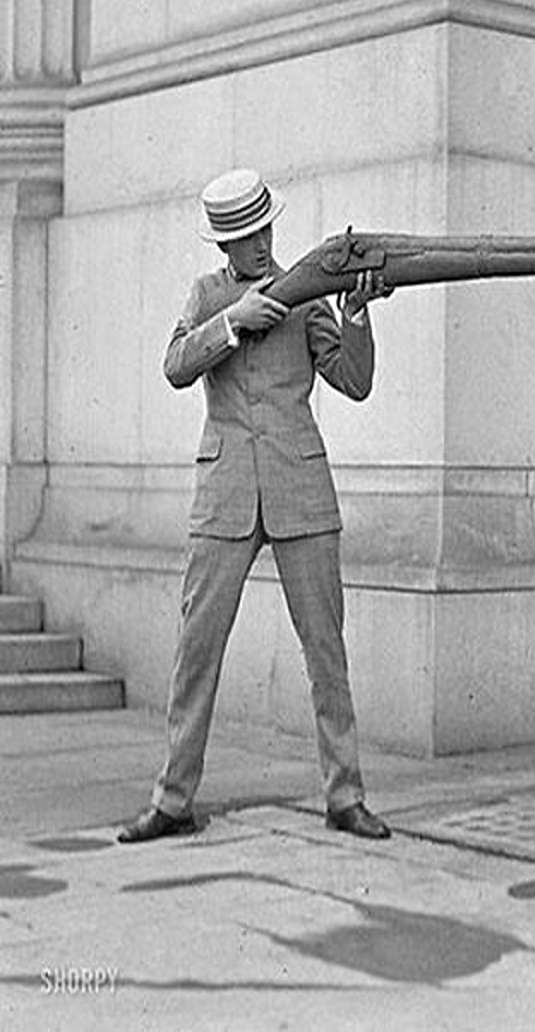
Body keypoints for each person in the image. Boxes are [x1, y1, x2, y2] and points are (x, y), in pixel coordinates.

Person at [119, 168, 393, 843]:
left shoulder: (304, 292)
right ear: (225, 246)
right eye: (246, 236)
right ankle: (173, 800)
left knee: (327, 651)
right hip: (226, 494)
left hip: (301, 486)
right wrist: (231, 324)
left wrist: (354, 315)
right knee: (197, 650)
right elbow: (176, 364)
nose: (262, 244)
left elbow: (353, 382)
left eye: (266, 229)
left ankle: (346, 795)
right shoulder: (207, 294)